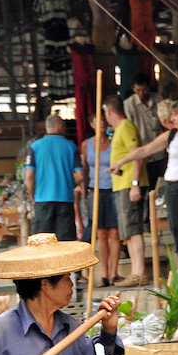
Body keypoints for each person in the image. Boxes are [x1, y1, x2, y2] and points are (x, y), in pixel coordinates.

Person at [112, 99, 178, 269]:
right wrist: (121, 162)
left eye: (175, 115)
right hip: (172, 184)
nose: (173, 119)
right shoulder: (170, 135)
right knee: (177, 225)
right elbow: (145, 150)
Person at [104, 95, 149, 287]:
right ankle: (135, 271)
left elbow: (137, 155)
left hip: (129, 184)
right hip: (122, 184)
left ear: (109, 112)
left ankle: (140, 271)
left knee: (133, 228)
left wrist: (135, 183)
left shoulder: (125, 126)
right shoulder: (119, 129)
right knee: (128, 231)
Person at [25, 114, 81, 241]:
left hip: (42, 200)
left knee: (41, 243)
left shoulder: (35, 147)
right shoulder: (71, 147)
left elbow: (29, 176)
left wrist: (32, 196)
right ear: (60, 126)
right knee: (65, 243)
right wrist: (67, 185)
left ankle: (43, 262)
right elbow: (81, 175)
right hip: (65, 200)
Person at [80, 113, 119, 286]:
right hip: (95, 189)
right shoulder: (86, 144)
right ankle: (104, 274)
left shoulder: (114, 140)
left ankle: (114, 273)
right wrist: (84, 192)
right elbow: (84, 170)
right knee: (101, 233)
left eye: (104, 120)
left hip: (114, 188)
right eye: (97, 120)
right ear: (92, 124)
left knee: (115, 233)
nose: (101, 123)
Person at [123, 73, 165, 187]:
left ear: (149, 87)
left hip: (160, 153)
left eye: (144, 90)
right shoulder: (128, 105)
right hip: (143, 155)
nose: (141, 93)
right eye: (138, 90)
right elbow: (128, 129)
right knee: (148, 188)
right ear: (133, 89)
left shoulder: (158, 100)